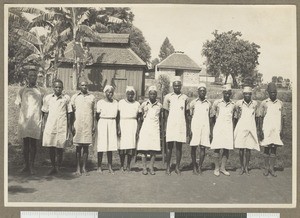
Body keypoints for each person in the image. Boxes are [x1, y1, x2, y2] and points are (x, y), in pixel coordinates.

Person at [15, 70, 45, 175]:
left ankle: (32, 166)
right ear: (27, 77)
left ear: (36, 78)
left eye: (34, 76)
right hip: (24, 121)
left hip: (35, 120)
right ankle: (26, 165)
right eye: (30, 75)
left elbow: (43, 106)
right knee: (25, 143)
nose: (32, 77)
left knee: (33, 144)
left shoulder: (41, 91)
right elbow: (19, 104)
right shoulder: (22, 90)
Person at [42, 79, 72, 175]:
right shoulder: (48, 98)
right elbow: (45, 112)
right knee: (51, 146)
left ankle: (58, 166)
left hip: (62, 125)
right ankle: (53, 166)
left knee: (60, 147)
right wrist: (45, 125)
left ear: (62, 88)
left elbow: (69, 113)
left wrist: (69, 127)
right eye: (56, 87)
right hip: (51, 125)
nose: (58, 89)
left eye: (60, 87)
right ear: (53, 88)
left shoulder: (66, 98)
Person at [163, 77, 189, 175]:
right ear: (172, 86)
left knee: (179, 147)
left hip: (181, 124)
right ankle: (168, 167)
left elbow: (186, 114)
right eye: (175, 85)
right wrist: (165, 126)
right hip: (171, 124)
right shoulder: (168, 97)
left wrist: (188, 127)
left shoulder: (185, 98)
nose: (177, 87)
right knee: (169, 147)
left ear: (181, 86)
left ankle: (177, 167)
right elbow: (165, 114)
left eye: (178, 85)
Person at [259, 82, 286, 177]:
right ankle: (266, 168)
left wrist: (282, 130)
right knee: (266, 148)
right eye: (271, 92)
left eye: (275, 92)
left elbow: (283, 117)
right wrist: (260, 130)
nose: (273, 94)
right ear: (268, 93)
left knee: (274, 149)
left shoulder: (280, 103)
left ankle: (272, 168)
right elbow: (260, 117)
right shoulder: (264, 103)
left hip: (276, 129)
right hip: (267, 128)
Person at [71, 80, 96, 176]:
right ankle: (77, 168)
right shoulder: (75, 97)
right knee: (78, 147)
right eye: (82, 85)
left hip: (88, 124)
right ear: (79, 86)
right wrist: (72, 125)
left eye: (86, 85)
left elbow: (93, 113)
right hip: (78, 124)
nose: (84, 87)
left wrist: (93, 125)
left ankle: (84, 168)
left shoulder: (92, 97)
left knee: (86, 147)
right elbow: (72, 112)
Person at [234, 86, 260, 175]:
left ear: (251, 94)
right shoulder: (238, 103)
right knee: (241, 148)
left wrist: (256, 128)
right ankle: (241, 167)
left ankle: (246, 167)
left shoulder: (255, 104)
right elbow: (236, 116)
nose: (247, 96)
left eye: (249, 94)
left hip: (251, 127)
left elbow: (257, 117)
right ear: (243, 94)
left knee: (248, 148)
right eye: (245, 94)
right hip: (241, 127)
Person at [210, 84, 235, 177]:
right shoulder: (217, 103)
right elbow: (212, 117)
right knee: (217, 148)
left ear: (231, 93)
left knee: (226, 148)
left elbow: (233, 118)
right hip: (218, 127)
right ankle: (216, 168)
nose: (227, 94)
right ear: (222, 93)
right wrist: (213, 129)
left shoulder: (233, 104)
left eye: (229, 93)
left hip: (228, 128)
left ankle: (223, 168)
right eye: (225, 93)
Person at [137, 86, 163, 175]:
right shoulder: (144, 104)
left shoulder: (159, 105)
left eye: (154, 94)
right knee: (144, 149)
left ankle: (151, 167)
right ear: (148, 95)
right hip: (145, 128)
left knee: (153, 149)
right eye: (151, 94)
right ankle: (144, 167)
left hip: (155, 128)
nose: (152, 95)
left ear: (156, 95)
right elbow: (140, 116)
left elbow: (161, 118)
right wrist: (139, 128)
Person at [189, 83, 212, 175]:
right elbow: (190, 117)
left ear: (205, 92)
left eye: (204, 91)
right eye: (200, 90)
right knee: (193, 147)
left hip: (205, 127)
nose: (202, 92)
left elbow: (210, 118)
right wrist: (190, 129)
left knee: (203, 147)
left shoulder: (209, 104)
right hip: (195, 127)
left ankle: (200, 167)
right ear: (197, 92)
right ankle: (194, 166)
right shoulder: (193, 103)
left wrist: (210, 131)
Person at [95, 85, 119, 174]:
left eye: (111, 92)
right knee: (101, 145)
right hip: (103, 122)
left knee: (110, 146)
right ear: (105, 93)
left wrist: (117, 126)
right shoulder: (100, 102)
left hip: (112, 123)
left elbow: (118, 116)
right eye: (108, 92)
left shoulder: (116, 102)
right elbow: (97, 116)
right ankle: (99, 166)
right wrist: (101, 123)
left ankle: (110, 167)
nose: (110, 93)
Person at [118, 86, 141, 172]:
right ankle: (121, 165)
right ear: (126, 94)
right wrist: (118, 127)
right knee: (122, 147)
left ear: (134, 95)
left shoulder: (137, 104)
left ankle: (128, 165)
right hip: (123, 124)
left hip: (132, 125)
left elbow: (139, 118)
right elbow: (117, 116)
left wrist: (138, 129)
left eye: (132, 94)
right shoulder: (121, 102)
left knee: (131, 146)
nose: (130, 96)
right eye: (129, 94)